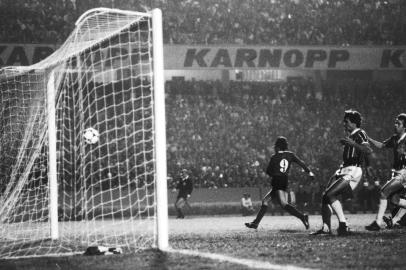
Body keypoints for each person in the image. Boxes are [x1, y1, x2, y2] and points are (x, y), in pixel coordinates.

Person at [311, 110, 372, 236]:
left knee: (329, 194)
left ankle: (343, 224)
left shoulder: (360, 133)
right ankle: (326, 228)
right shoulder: (349, 135)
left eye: (346, 121)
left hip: (353, 170)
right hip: (343, 169)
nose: (344, 124)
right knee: (325, 196)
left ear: (354, 123)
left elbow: (368, 150)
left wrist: (353, 143)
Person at [245, 136, 315, 230]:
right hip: (284, 180)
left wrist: (273, 171)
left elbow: (269, 171)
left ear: (278, 146)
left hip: (277, 181)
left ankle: (303, 217)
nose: (274, 148)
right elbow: (301, 163)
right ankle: (256, 223)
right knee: (265, 201)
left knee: (283, 204)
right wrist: (309, 172)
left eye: (275, 146)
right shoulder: (291, 154)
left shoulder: (274, 157)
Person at [365, 113, 406, 231]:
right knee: (394, 200)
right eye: (395, 122)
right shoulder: (394, 138)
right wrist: (369, 139)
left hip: (404, 172)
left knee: (383, 192)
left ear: (404, 127)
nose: (395, 125)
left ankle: (377, 223)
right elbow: (382, 145)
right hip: (398, 172)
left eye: (398, 123)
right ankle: (392, 221)